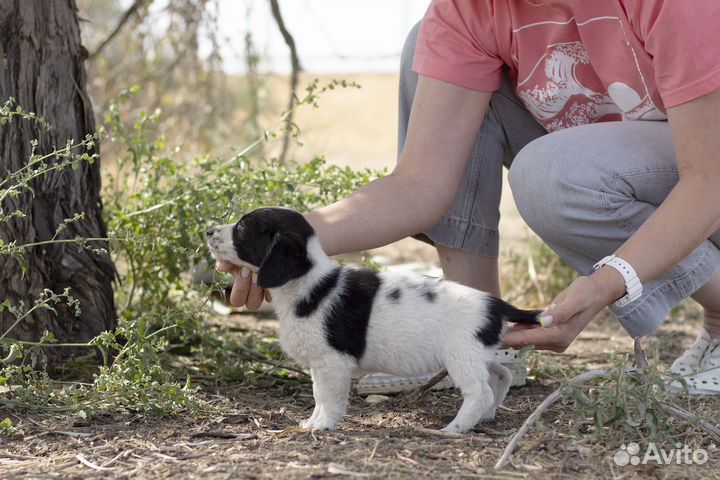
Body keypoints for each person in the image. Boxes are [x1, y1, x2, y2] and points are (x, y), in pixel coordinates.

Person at [219, 0, 720, 395]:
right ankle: (477, 330)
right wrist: (285, 240)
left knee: (553, 175)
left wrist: (606, 284)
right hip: (625, 161)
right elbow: (419, 184)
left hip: (704, 161)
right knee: (428, 47)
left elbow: (708, 179)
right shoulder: (468, 8)